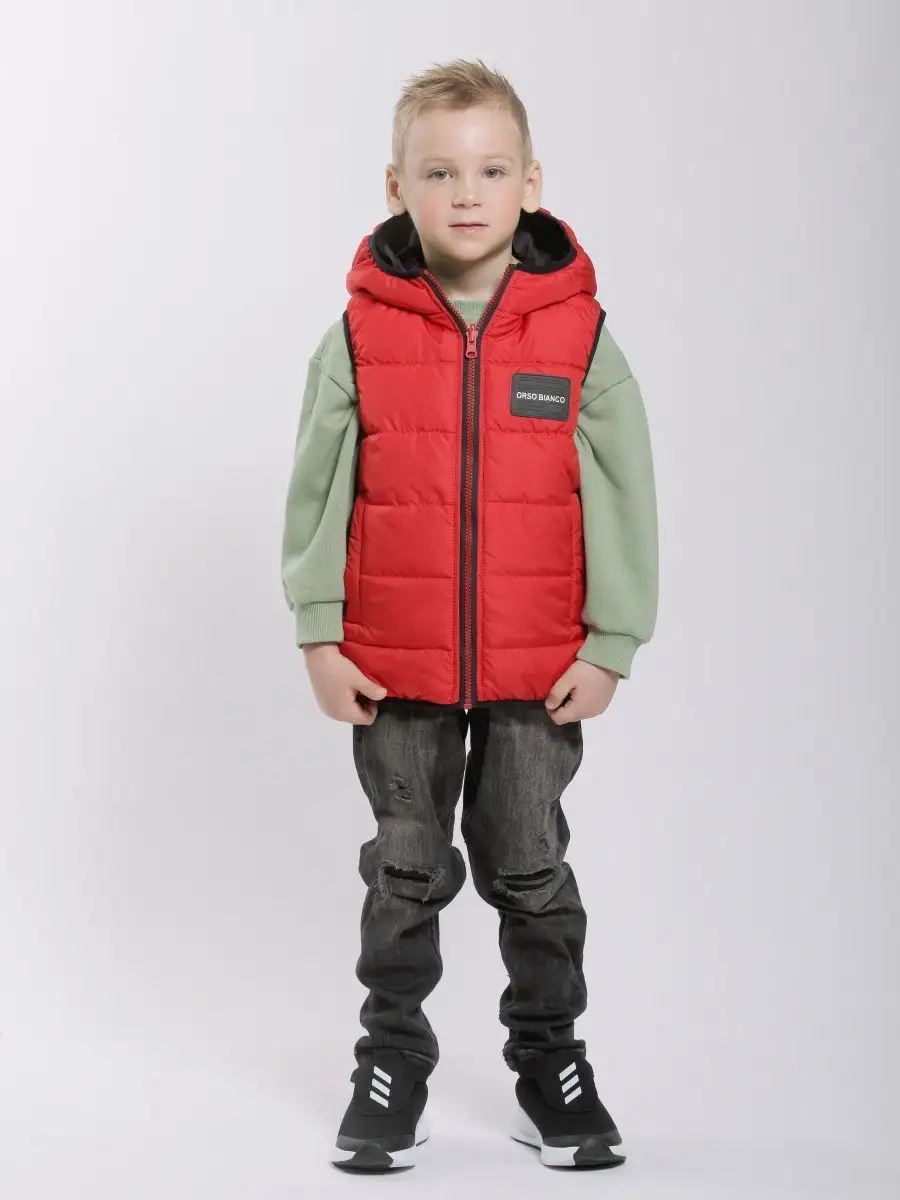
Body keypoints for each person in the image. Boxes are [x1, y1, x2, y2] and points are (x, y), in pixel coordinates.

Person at [280, 58, 658, 1172]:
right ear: (396, 187)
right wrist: (318, 628)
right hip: (393, 667)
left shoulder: (578, 336)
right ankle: (391, 1061)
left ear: (530, 184)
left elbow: (625, 491)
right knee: (403, 868)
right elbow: (317, 486)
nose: (465, 193)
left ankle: (551, 1062)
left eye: (491, 170)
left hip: (539, 669)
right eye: (439, 172)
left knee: (531, 866)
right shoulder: (359, 335)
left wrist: (613, 640)